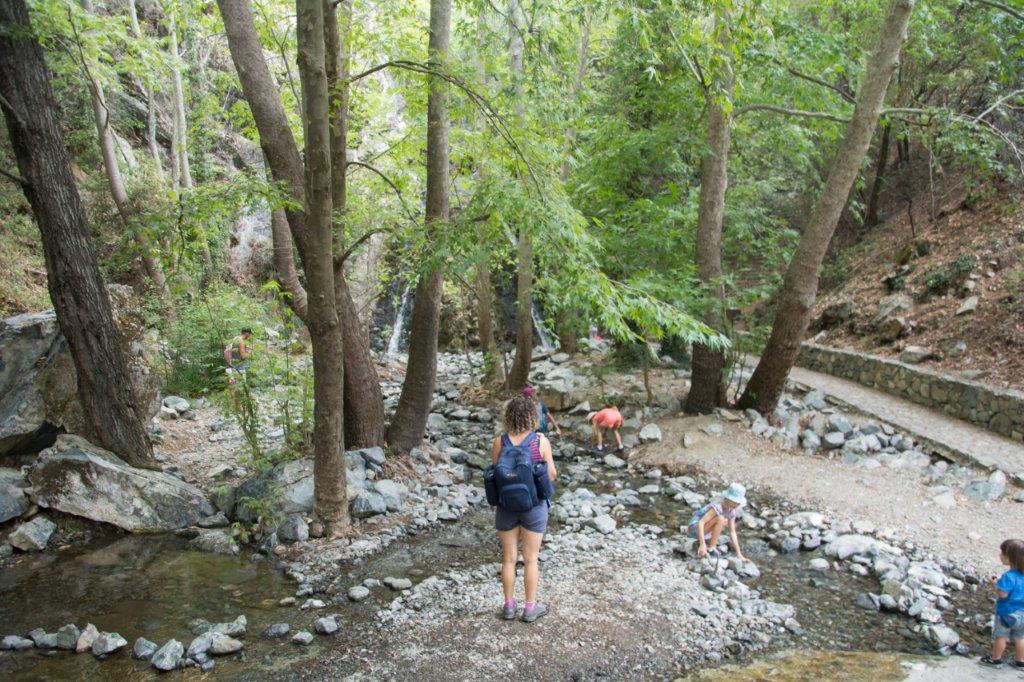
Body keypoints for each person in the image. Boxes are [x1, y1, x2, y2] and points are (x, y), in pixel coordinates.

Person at [491, 395, 557, 623]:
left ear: (508, 417)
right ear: (532, 416)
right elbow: (552, 474)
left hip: (506, 506)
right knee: (531, 559)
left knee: (509, 558)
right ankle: (530, 608)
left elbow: (496, 473)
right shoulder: (540, 441)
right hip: (534, 506)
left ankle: (509, 606)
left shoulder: (500, 442)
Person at [981, 538, 1024, 668]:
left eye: (1002, 553)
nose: (1000, 556)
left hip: (1006, 612)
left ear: (1009, 558)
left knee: (1001, 636)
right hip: (1022, 613)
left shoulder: (1008, 576)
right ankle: (1020, 662)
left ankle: (996, 659)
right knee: (1020, 637)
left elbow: (1003, 594)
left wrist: (995, 584)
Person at [687, 483, 748, 562]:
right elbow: (701, 523)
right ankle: (712, 547)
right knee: (721, 519)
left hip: (706, 531)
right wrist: (702, 545)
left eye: (738, 503)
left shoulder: (732, 511)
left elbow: (732, 532)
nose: (736, 505)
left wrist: (739, 554)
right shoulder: (717, 506)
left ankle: (712, 546)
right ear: (727, 498)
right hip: (694, 529)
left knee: (723, 521)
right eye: (734, 502)